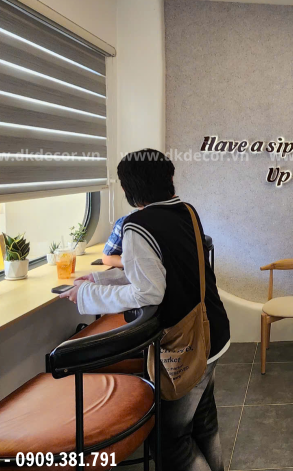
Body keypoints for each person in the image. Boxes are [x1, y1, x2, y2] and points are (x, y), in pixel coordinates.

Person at [59, 149, 230, 471]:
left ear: (130, 188)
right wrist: (99, 278)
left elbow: (148, 291)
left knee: (170, 441)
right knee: (204, 423)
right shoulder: (186, 211)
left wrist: (86, 294)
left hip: (186, 344)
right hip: (212, 330)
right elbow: (161, 270)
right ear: (169, 178)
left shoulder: (137, 225)